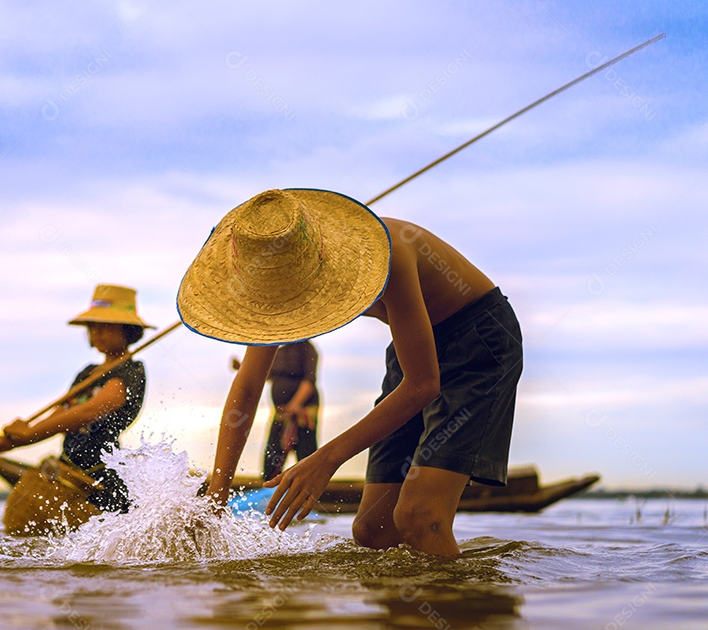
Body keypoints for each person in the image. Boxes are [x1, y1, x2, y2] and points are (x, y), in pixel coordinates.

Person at [177, 189, 522, 557]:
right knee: (373, 530)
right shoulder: (269, 287)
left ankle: (472, 606)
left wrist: (326, 459)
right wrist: (217, 495)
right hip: (412, 351)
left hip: (478, 341)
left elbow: (423, 385)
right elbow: (247, 386)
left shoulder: (388, 254)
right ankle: (409, 612)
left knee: (420, 518)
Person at [0, 284, 152, 513]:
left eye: (105, 325)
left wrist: (29, 433)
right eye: (92, 326)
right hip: (68, 466)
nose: (96, 332)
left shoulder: (130, 371)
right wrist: (15, 441)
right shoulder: (87, 374)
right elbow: (60, 416)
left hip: (101, 475)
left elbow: (89, 411)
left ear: (127, 330)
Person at [232, 340, 321, 481]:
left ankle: (307, 495)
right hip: (281, 414)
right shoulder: (279, 351)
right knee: (272, 457)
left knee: (306, 455)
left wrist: (295, 404)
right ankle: (270, 489)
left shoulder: (307, 349)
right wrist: (242, 367)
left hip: (302, 413)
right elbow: (267, 373)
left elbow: (309, 380)